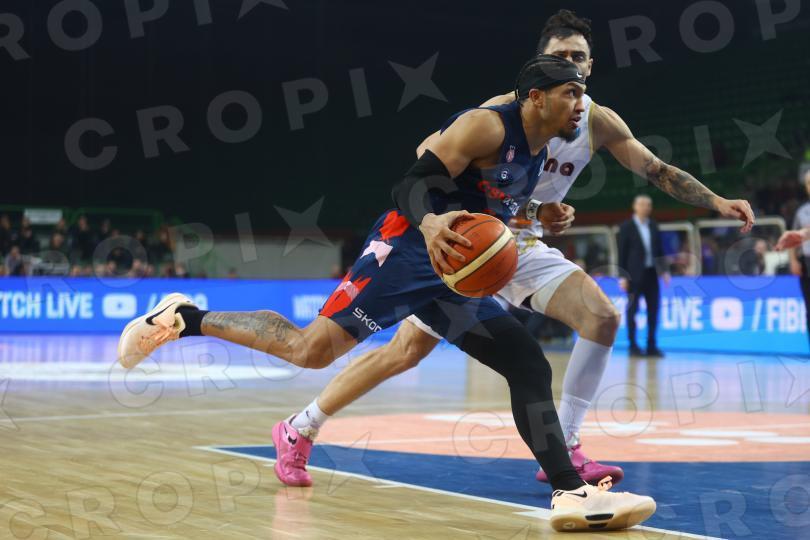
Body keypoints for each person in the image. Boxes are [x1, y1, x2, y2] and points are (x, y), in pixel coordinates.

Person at [118, 54, 656, 531]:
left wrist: (538, 212)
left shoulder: (540, 150)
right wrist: (429, 223)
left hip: (451, 273)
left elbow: (488, 199)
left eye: (583, 93)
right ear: (536, 97)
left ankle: (569, 491)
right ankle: (186, 317)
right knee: (310, 351)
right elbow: (410, 184)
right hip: (405, 252)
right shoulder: (487, 126)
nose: (581, 104)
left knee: (526, 362)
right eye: (571, 93)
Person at [273, 9, 755, 490]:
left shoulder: (597, 121)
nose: (570, 63)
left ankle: (566, 446)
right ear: (539, 66)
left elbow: (657, 170)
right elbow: (428, 156)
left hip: (518, 246)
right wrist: (524, 208)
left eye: (578, 57)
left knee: (602, 317)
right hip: (475, 238)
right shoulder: (506, 109)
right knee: (405, 351)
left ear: (590, 66)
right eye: (560, 55)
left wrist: (717, 201)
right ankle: (302, 425)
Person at [618, 195, 669, 357]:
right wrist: (622, 276)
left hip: (651, 273)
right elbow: (621, 253)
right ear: (635, 206)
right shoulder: (626, 227)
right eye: (642, 204)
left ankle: (651, 345)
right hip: (633, 275)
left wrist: (664, 270)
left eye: (648, 205)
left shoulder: (653, 225)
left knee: (653, 310)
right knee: (633, 311)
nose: (645, 208)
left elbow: (659, 250)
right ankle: (633, 345)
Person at [776, 169, 810, 348]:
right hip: (806, 261)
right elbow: (794, 237)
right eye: (808, 183)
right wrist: (794, 260)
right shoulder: (802, 211)